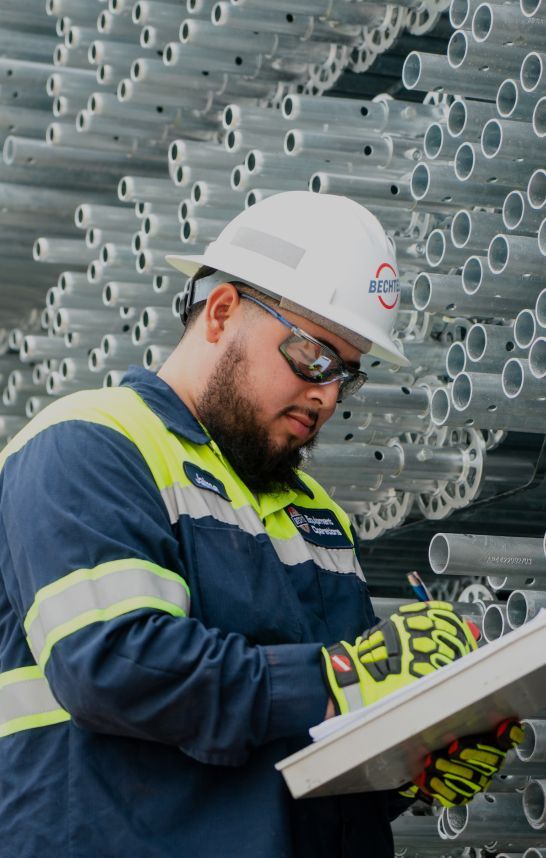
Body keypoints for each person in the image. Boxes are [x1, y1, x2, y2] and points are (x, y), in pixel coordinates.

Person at [0, 192, 521, 857]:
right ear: (222, 313)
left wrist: (414, 751)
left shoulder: (316, 516)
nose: (328, 395)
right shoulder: (90, 446)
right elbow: (117, 667)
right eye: (312, 357)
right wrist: (343, 677)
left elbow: (313, 737)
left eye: (346, 376)